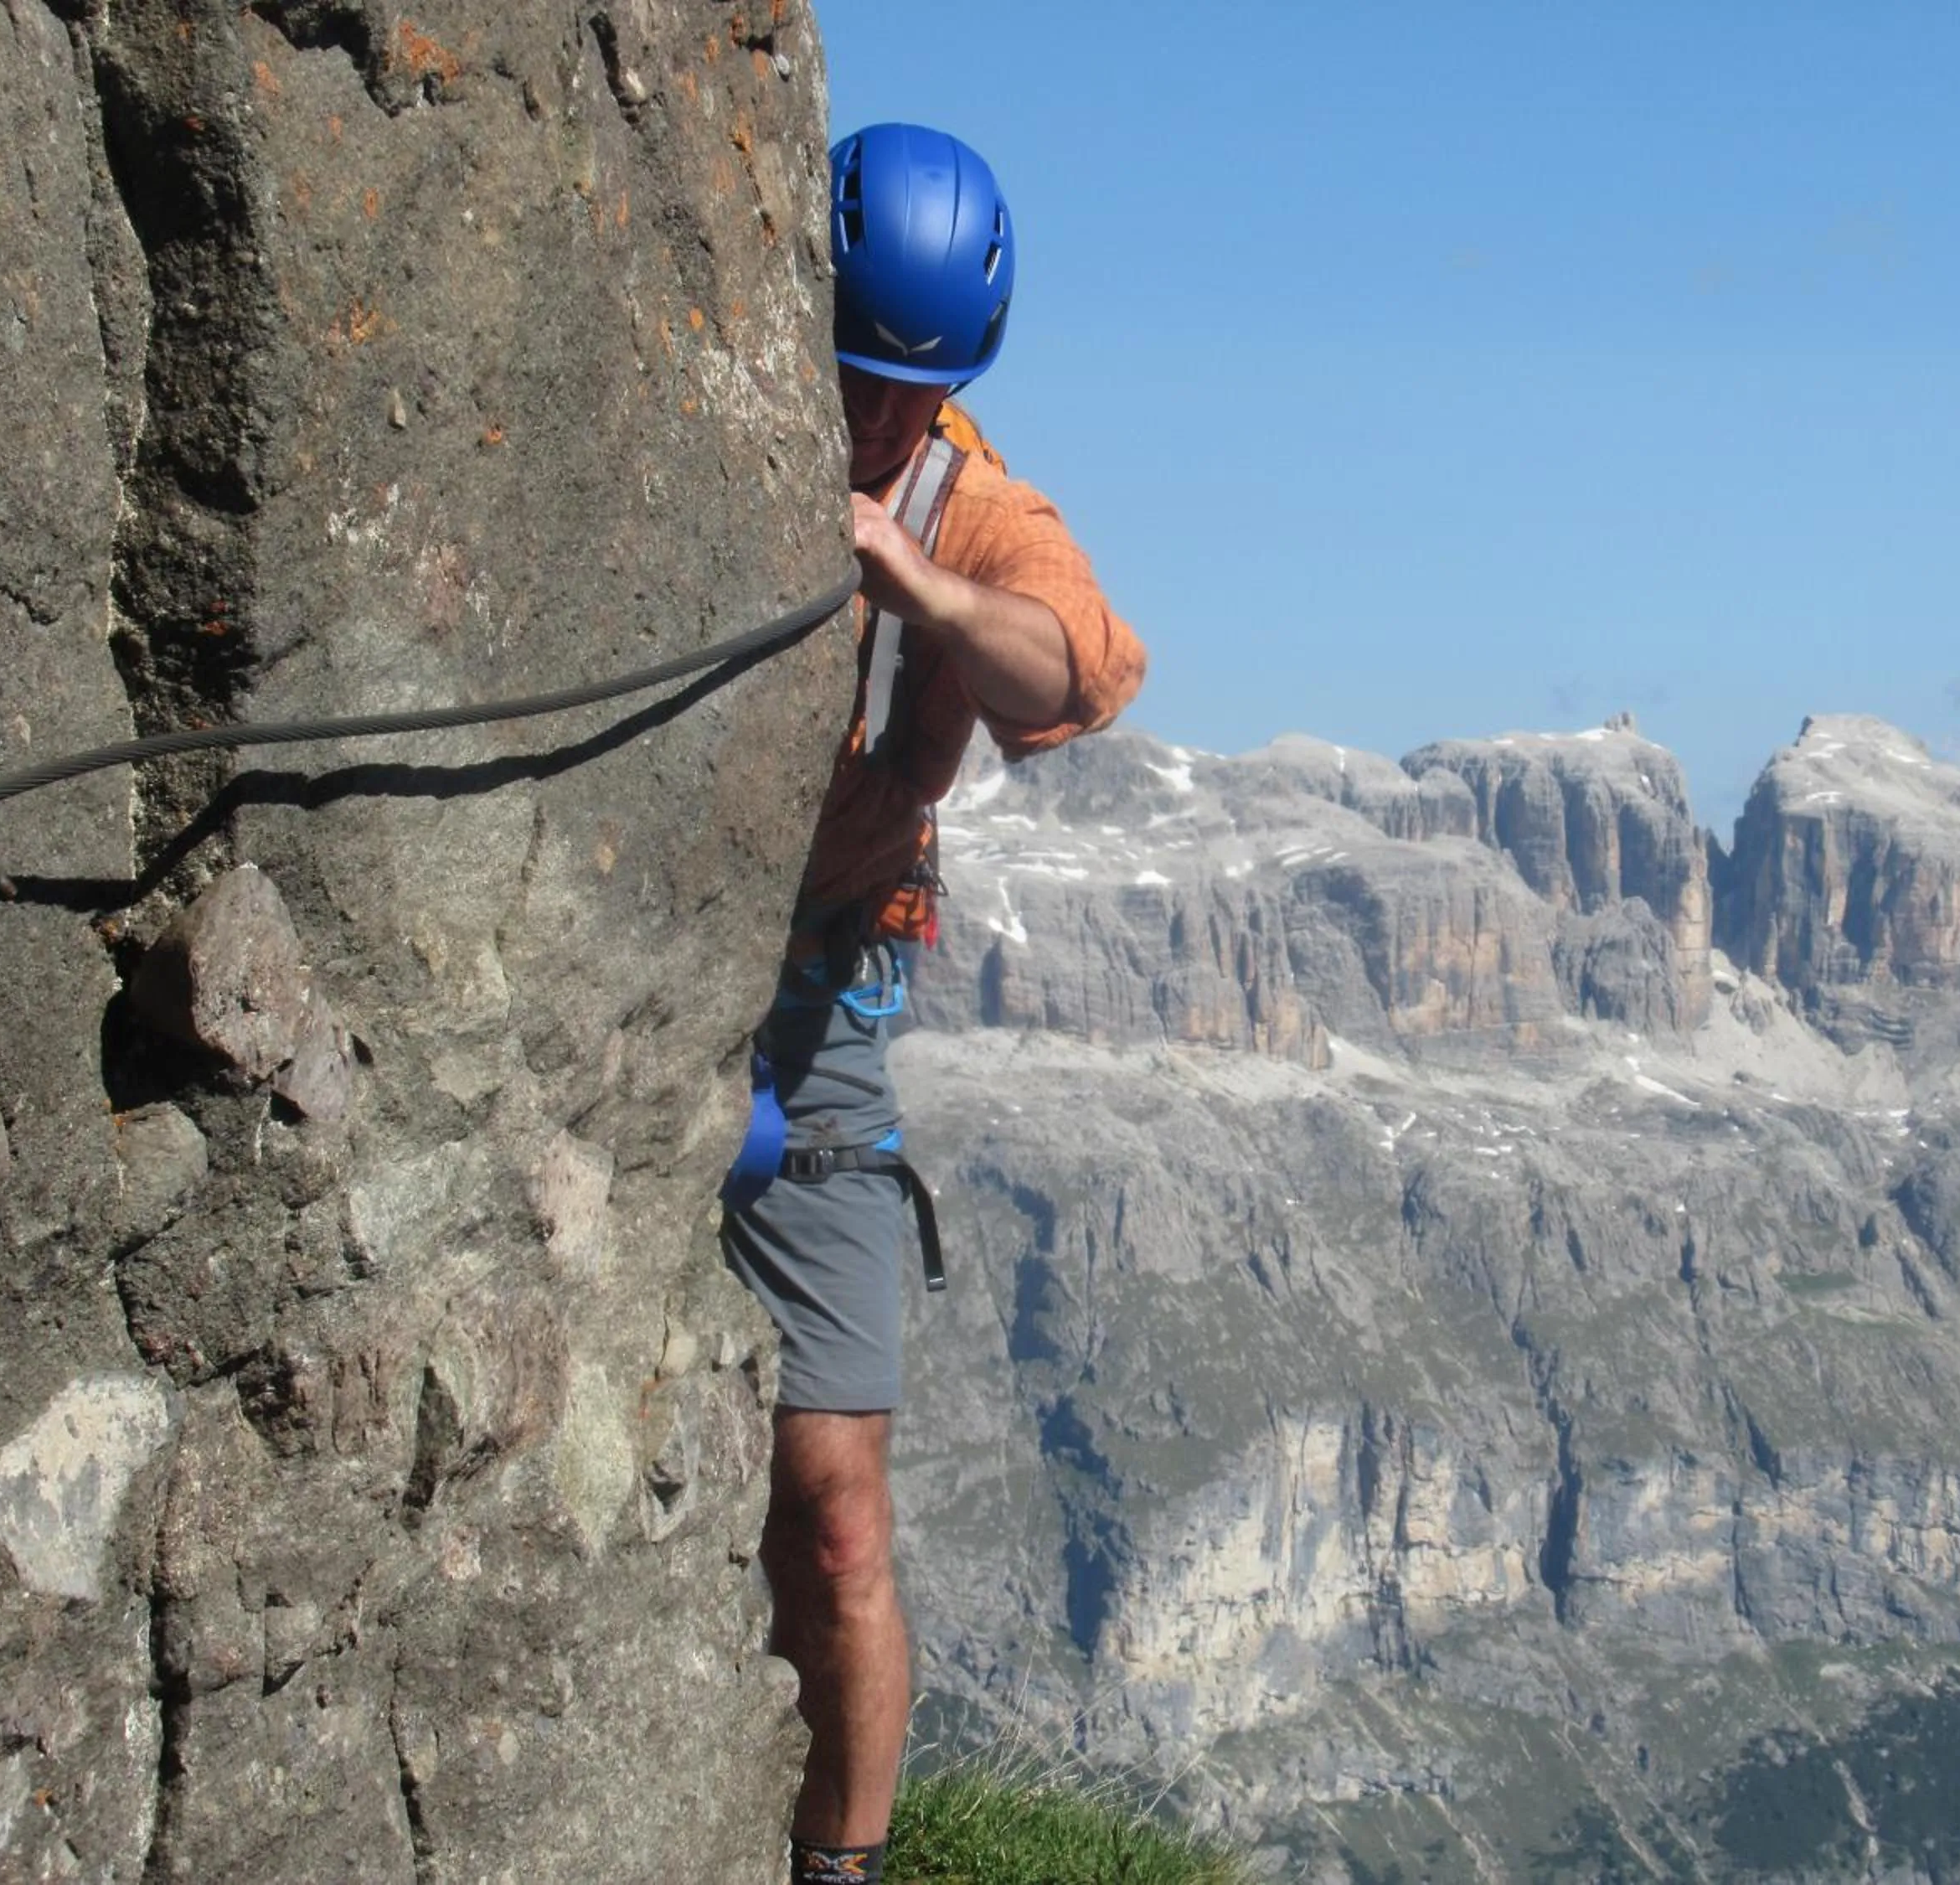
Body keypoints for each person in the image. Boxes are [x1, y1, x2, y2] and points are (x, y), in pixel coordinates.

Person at [718, 122, 1147, 1885]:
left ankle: (840, 1867)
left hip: (828, 986)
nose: (879, 411)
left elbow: (1081, 667)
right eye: (856, 370)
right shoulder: (708, 394)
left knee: (832, 1504)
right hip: (659, 954)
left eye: (919, 383)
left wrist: (919, 581)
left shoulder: (965, 497)